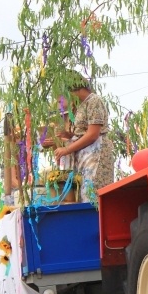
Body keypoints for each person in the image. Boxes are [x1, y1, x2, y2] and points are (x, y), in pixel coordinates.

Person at [53, 72, 114, 202]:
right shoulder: (81, 105)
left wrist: (67, 150)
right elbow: (83, 132)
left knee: (92, 194)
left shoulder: (93, 101)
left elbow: (92, 134)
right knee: (83, 194)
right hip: (85, 155)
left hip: (96, 154)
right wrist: (69, 135)